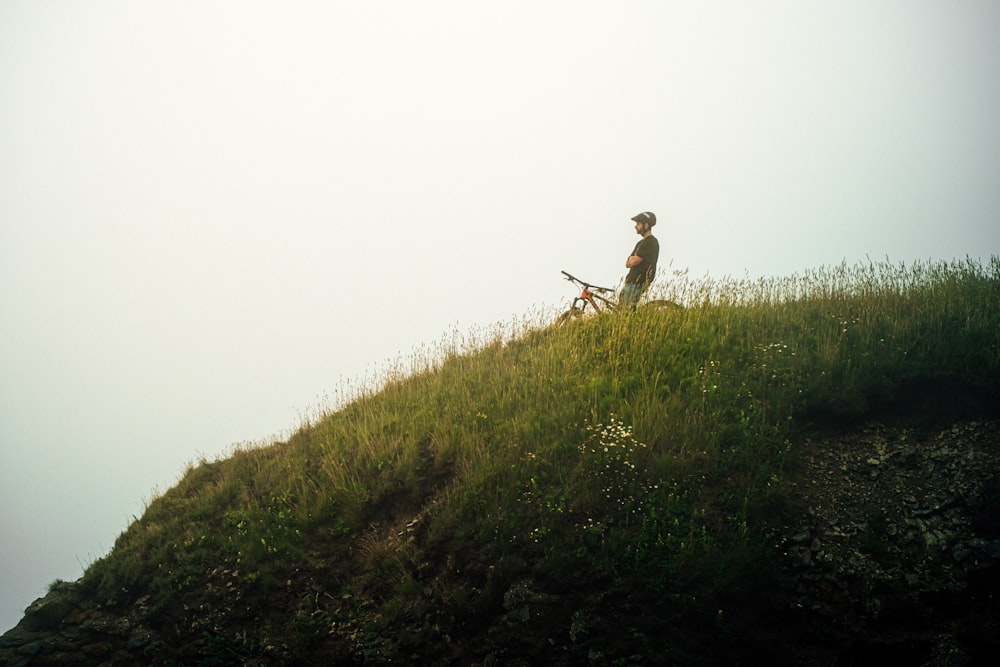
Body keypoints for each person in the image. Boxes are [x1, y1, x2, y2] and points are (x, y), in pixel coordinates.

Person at [620, 211, 659, 307]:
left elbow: (634, 261)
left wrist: (633, 259)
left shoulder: (651, 242)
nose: (635, 226)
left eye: (638, 224)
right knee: (622, 310)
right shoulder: (640, 243)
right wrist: (632, 260)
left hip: (638, 283)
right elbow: (627, 264)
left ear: (646, 225)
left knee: (625, 311)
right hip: (631, 282)